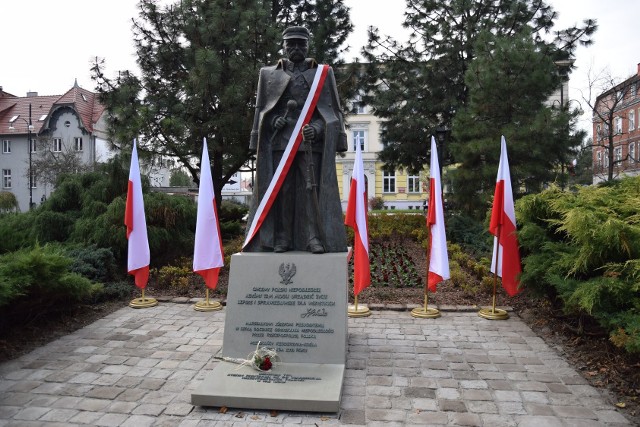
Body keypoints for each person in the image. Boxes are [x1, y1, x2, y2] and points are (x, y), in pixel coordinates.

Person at [244, 26, 348, 254]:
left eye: (301, 43)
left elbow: (331, 112)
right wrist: (272, 124)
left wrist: (318, 129)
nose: (296, 48)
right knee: (283, 190)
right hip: (281, 143)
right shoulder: (268, 74)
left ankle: (313, 238)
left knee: (312, 190)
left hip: (310, 143)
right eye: (291, 44)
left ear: (308, 46)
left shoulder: (322, 73)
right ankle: (282, 238)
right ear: (283, 46)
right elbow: (262, 110)